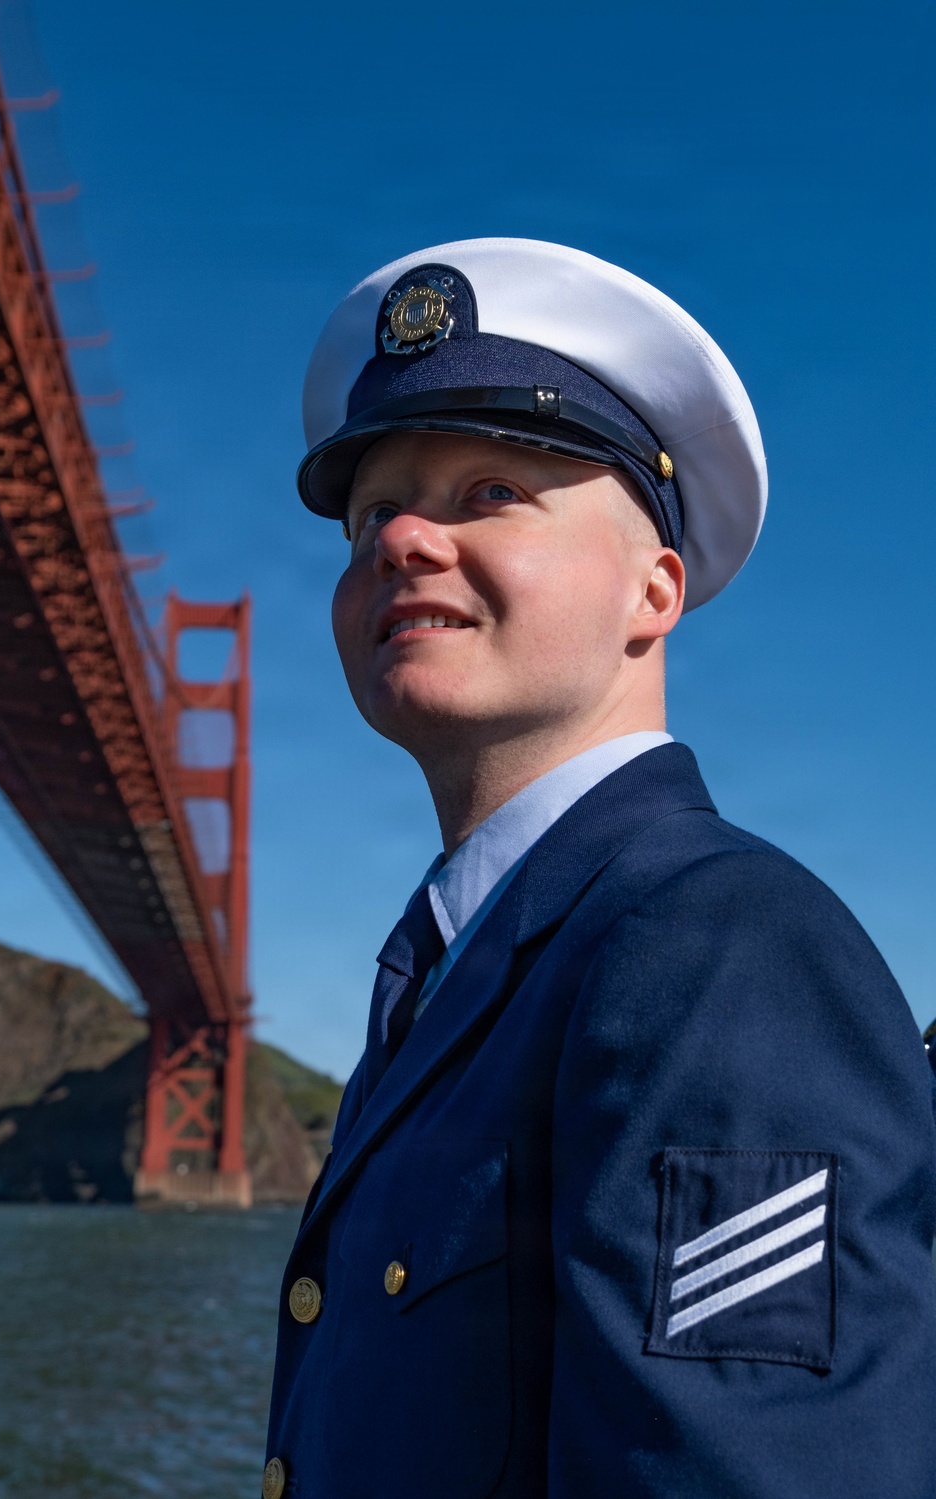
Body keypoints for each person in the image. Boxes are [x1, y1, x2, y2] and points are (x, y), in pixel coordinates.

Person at [260, 239, 936, 1499]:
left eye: (488, 491)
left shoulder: (722, 951)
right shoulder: (457, 964)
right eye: (369, 517)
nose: (400, 536)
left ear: (653, 592)